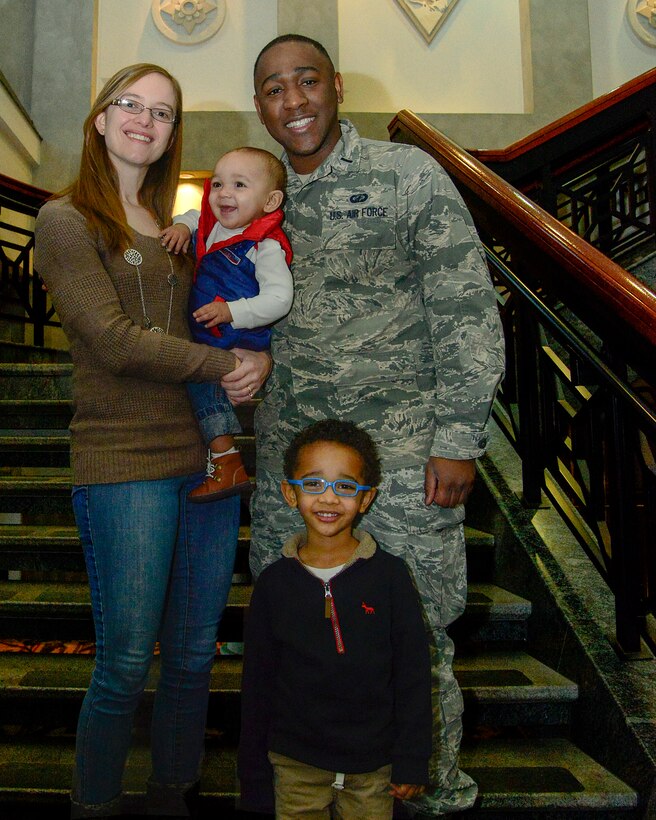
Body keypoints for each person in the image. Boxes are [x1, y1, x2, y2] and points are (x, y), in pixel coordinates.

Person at [226, 34, 506, 815]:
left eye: (306, 82)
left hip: (404, 462)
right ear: (261, 107)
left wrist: (459, 437)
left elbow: (467, 313)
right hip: (295, 469)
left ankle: (436, 795)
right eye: (275, 90)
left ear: (337, 87)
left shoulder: (405, 175)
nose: (294, 102)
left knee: (416, 639)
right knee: (302, 641)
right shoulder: (258, 197)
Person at [34, 63, 267, 819]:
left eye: (162, 112)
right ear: (99, 119)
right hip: (124, 463)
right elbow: (112, 341)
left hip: (205, 459)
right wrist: (224, 363)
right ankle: (95, 804)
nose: (144, 119)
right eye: (128, 104)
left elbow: (216, 311)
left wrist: (256, 354)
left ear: (173, 134)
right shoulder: (66, 220)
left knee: (196, 655)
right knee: (128, 662)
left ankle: (174, 794)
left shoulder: (183, 230)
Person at [238, 419, 432, 818]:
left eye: (345, 486)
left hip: (373, 767)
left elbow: (413, 674)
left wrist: (411, 759)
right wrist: (254, 776)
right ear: (290, 494)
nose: (328, 499)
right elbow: (257, 682)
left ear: (366, 499)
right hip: (295, 764)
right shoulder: (274, 584)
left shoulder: (391, 577)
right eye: (313, 484)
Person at [160, 147, 293, 503]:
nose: (224, 193)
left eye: (239, 184)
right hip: (210, 332)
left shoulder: (264, 246)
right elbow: (193, 214)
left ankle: (226, 459)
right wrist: (181, 227)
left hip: (238, 335)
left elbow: (280, 299)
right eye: (217, 183)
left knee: (200, 380)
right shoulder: (215, 226)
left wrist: (234, 311)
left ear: (270, 200)